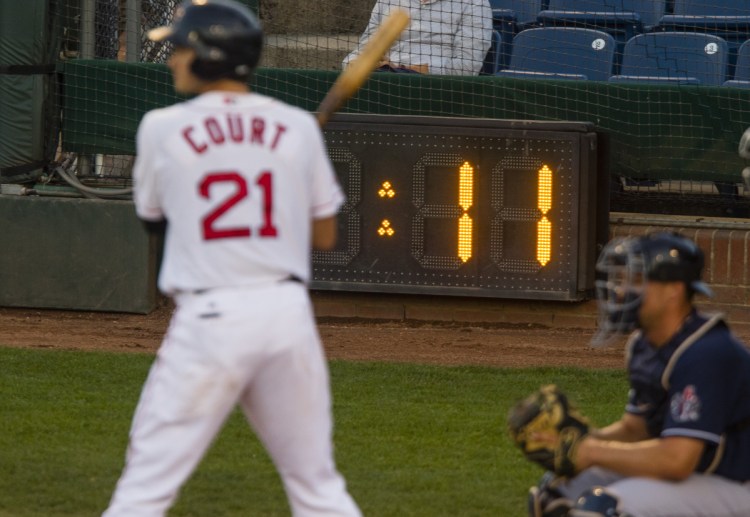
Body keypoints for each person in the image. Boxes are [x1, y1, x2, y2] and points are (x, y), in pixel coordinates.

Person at [102, 1, 362, 515]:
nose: (173, 57)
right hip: (286, 319)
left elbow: (154, 220)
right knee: (317, 487)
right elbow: (325, 235)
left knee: (144, 487)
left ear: (206, 56)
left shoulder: (161, 127)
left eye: (180, 48)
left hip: (211, 320)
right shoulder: (296, 127)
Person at [528, 232, 750, 517]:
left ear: (673, 290)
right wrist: (577, 441)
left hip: (737, 481)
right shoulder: (643, 344)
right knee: (556, 490)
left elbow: (676, 460)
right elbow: (636, 429)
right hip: (703, 469)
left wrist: (590, 452)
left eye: (635, 281)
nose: (621, 291)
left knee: (603, 507)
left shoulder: (708, 352)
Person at [343, 0, 493, 76]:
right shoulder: (388, 1)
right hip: (384, 80)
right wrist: (355, 63)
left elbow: (467, 67)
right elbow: (360, 52)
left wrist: (404, 70)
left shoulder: (474, 3)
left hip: (434, 89)